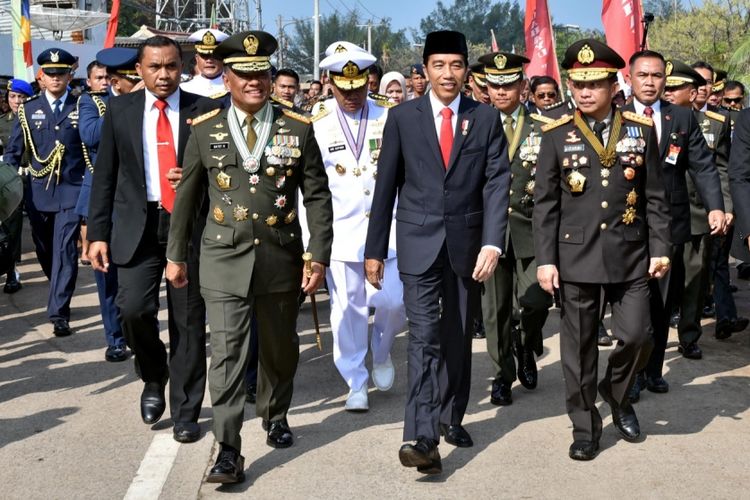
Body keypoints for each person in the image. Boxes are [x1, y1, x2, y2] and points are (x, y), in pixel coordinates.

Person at [165, 30, 333, 484]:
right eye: (244, 74)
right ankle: (229, 448)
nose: (254, 82)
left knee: (279, 351)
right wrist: (176, 255)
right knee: (226, 355)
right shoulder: (205, 129)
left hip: (280, 257)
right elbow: (187, 196)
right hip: (222, 259)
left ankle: (275, 413)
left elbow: (317, 196)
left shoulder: (298, 127)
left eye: (261, 73)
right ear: (229, 78)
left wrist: (317, 254)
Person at [365, 30, 509, 474]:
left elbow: (496, 181)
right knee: (424, 337)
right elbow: (386, 186)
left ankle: (450, 416)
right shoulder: (403, 118)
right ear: (424, 69)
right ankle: (421, 435)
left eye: (457, 65)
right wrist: (374, 250)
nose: (448, 74)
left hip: (467, 247)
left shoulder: (484, 119)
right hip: (417, 244)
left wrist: (492, 241)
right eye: (439, 65)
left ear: (468, 70)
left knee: (458, 336)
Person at [534, 39, 672, 461]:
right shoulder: (556, 135)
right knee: (577, 352)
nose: (585, 92)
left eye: (595, 83)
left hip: (630, 253)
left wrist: (660, 246)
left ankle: (617, 395)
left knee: (637, 335)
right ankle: (584, 426)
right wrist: (545, 261)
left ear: (614, 85)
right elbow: (545, 204)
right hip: (575, 258)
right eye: (578, 84)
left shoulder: (639, 130)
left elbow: (655, 197)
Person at [87, 36, 219, 443]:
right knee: (132, 311)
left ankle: (186, 410)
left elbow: (224, 172)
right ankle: (153, 373)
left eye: (172, 67)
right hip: (136, 226)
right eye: (155, 67)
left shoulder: (206, 109)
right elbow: (105, 175)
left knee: (189, 323)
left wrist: (195, 179)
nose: (164, 75)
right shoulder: (121, 110)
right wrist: (97, 233)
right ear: (139, 70)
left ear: (183, 67)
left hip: (187, 227)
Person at [309, 41, 406, 412]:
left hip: (389, 232)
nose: (351, 95)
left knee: (394, 302)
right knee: (347, 312)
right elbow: (311, 189)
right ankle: (355, 381)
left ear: (369, 81)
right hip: (341, 234)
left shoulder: (388, 115)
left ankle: (381, 353)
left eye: (359, 87)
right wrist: (311, 245)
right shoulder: (316, 122)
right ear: (330, 82)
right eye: (343, 88)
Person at [622, 53, 724, 402]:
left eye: (656, 76)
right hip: (628, 224)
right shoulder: (617, 116)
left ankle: (651, 370)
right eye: (642, 75)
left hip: (671, 223)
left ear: (665, 80)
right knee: (635, 303)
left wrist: (715, 207)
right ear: (630, 77)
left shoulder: (682, 117)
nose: (650, 82)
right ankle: (632, 371)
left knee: (663, 302)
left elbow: (704, 166)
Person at [477, 51, 553, 406]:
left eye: (509, 84)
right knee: (495, 311)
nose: (502, 91)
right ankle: (502, 374)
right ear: (486, 88)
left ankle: (527, 344)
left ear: (523, 87)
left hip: (532, 228)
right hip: (488, 232)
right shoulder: (474, 124)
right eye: (495, 85)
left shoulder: (545, 126)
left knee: (536, 299)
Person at [4, 48, 85, 337]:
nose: (55, 78)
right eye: (50, 73)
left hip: (72, 190)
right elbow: (14, 152)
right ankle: (58, 287)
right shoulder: (28, 110)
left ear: (69, 75)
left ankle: (59, 312)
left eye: (61, 73)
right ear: (41, 77)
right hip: (38, 193)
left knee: (65, 251)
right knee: (46, 251)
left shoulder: (82, 105)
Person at [75, 48, 142, 363]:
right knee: (107, 276)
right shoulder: (91, 102)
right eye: (101, 78)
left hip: (136, 202)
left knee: (137, 278)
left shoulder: (146, 101)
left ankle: (140, 333)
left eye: (109, 77)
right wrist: (121, 105)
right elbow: (89, 134)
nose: (105, 82)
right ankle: (115, 338)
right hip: (102, 201)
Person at [0, 79, 33, 294]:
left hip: (36, 178)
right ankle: (11, 270)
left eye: (22, 97)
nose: (17, 101)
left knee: (42, 227)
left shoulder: (36, 117)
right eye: (13, 97)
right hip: (12, 180)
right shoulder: (3, 122)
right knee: (11, 226)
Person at [180, 28, 229, 97]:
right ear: (197, 59)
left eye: (214, 55)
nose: (209, 60)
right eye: (204, 55)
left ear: (223, 58)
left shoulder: (234, 86)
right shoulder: (184, 89)